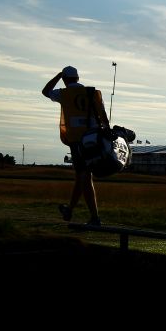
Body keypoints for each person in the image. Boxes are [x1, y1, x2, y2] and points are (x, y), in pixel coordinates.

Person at [41, 65, 109, 226]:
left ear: (65, 79)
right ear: (78, 78)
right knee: (82, 175)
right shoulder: (92, 92)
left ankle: (94, 218)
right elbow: (103, 115)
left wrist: (57, 75)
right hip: (94, 138)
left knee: (84, 176)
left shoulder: (64, 94)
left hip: (77, 140)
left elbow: (45, 91)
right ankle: (69, 209)